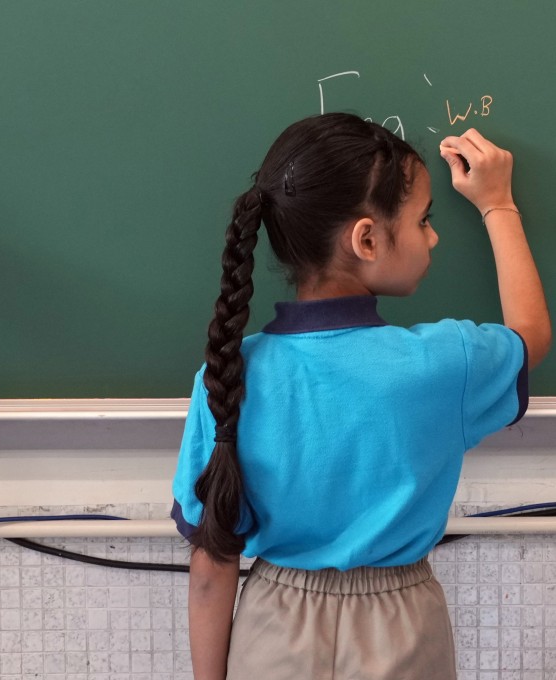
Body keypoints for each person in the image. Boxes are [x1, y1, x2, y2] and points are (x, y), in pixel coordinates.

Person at [170, 113, 550, 680]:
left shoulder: (227, 375)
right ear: (367, 239)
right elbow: (532, 335)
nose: (433, 236)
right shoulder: (443, 363)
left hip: (272, 627)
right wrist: (497, 204)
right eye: (423, 220)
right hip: (401, 627)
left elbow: (211, 569)